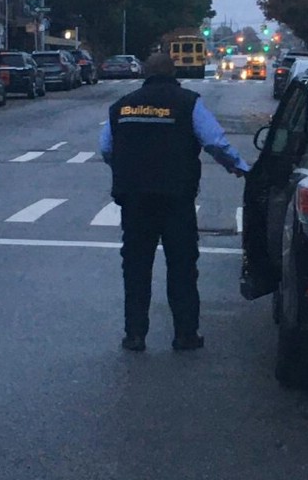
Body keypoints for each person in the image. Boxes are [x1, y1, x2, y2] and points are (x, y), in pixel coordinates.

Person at [99, 52, 249, 353]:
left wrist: (126, 169)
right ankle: (185, 334)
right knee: (182, 266)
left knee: (136, 267)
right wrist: (239, 166)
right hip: (176, 198)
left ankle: (135, 335)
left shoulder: (122, 106)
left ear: (145, 73)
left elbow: (106, 147)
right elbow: (214, 141)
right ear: (173, 73)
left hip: (134, 199)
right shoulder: (188, 103)